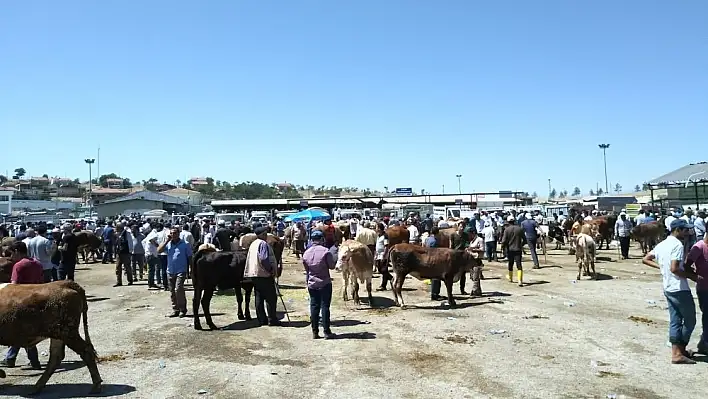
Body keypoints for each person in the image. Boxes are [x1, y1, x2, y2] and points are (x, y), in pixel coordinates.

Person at [642, 219, 699, 364]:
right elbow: (674, 268)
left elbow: (646, 258)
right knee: (690, 320)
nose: (687, 233)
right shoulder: (677, 245)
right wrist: (694, 277)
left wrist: (661, 268)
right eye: (685, 230)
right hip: (679, 287)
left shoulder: (662, 244)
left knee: (675, 320)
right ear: (678, 230)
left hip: (667, 287)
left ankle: (676, 353)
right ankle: (680, 349)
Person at [0, 242, 43, 369]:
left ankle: (13, 359)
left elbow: (14, 287)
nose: (12, 257)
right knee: (26, 332)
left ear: (18, 251)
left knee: (19, 332)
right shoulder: (37, 263)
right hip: (37, 299)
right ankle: (15, 359)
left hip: (20, 302)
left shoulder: (19, 266)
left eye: (12, 253)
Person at [244, 227, 281, 326]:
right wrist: (270, 270)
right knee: (271, 297)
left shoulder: (253, 244)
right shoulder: (263, 244)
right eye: (265, 233)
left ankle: (262, 319)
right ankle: (272, 319)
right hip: (264, 274)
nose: (266, 235)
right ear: (262, 234)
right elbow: (264, 259)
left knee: (259, 296)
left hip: (254, 274)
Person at [302, 230, 336, 339]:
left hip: (312, 283)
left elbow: (306, 269)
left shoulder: (306, 253)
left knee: (314, 306)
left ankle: (315, 332)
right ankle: (326, 331)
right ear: (322, 239)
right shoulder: (326, 251)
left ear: (312, 240)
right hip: (325, 282)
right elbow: (331, 266)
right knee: (325, 307)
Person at [157, 227, 192, 318]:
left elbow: (190, 257)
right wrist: (166, 240)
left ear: (178, 234)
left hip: (181, 270)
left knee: (178, 289)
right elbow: (159, 250)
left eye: (175, 233)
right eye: (171, 233)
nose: (173, 235)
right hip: (170, 271)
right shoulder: (168, 244)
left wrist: (191, 269)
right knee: (172, 291)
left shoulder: (185, 244)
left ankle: (182, 309)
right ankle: (175, 309)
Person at [684, 232, 708, 355]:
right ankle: (705, 343)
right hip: (705, 288)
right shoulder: (699, 247)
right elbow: (687, 266)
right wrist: (697, 277)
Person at [501, 216, 526, 286]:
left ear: (508, 222)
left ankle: (510, 278)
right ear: (514, 221)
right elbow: (525, 240)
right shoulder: (519, 229)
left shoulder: (507, 230)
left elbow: (504, 240)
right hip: (518, 249)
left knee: (510, 263)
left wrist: (502, 247)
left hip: (510, 249)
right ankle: (520, 280)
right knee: (519, 264)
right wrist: (521, 245)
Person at [375, 223, 392, 291]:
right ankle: (391, 278)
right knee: (380, 269)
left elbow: (386, 246)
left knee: (384, 270)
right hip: (378, 255)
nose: (375, 229)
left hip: (383, 255)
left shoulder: (385, 236)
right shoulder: (378, 236)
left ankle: (383, 285)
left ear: (379, 228)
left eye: (376, 227)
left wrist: (384, 255)